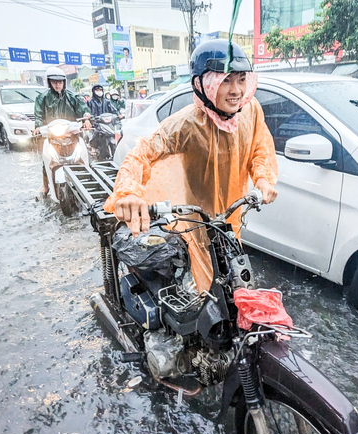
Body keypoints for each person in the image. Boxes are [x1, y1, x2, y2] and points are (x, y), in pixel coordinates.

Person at [103, 40, 278, 293]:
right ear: (203, 84)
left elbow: (260, 146)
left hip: (231, 220)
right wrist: (129, 192)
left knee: (231, 282)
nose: (236, 90)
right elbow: (140, 156)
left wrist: (262, 178)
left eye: (241, 80)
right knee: (205, 288)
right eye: (225, 80)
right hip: (195, 218)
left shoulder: (250, 111)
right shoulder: (184, 125)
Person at [33, 67, 90, 195]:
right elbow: (38, 115)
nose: (57, 84)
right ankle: (45, 186)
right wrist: (38, 126)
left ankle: (88, 178)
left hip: (71, 133)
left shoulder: (72, 97)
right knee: (47, 158)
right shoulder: (42, 98)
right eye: (54, 82)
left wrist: (86, 118)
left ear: (64, 82)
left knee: (84, 153)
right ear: (49, 83)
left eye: (60, 82)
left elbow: (83, 108)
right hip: (52, 134)